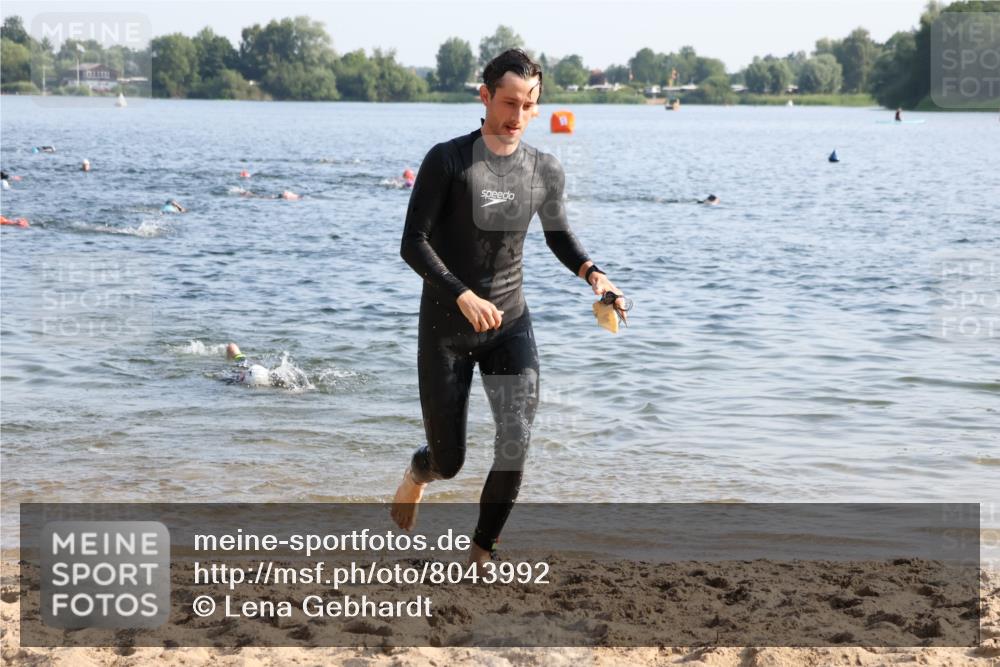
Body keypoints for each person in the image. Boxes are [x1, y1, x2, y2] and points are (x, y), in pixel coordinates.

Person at [392, 49, 629, 567]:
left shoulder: (543, 169)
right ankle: (417, 474)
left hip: (510, 324)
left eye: (529, 105)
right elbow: (413, 243)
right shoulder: (448, 160)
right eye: (507, 102)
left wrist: (595, 275)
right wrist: (461, 292)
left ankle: (481, 550)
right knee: (449, 461)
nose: (516, 116)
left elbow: (560, 235)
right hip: (447, 328)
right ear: (484, 97)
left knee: (516, 439)